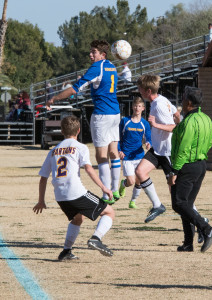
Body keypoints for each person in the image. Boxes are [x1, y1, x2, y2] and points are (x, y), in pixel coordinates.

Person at [46, 40, 121, 205]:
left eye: (94, 52)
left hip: (102, 114)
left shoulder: (97, 67)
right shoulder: (111, 66)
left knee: (101, 156)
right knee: (114, 153)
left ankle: (106, 193)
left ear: (102, 54)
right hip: (115, 114)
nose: (90, 55)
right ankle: (114, 190)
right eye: (90, 51)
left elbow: (75, 89)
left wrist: (55, 98)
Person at [33, 115, 115, 260]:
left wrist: (41, 201)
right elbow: (89, 169)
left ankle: (66, 251)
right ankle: (96, 238)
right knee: (109, 212)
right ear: (78, 131)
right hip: (75, 193)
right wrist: (104, 187)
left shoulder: (53, 151)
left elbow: (43, 178)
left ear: (62, 131)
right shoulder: (80, 147)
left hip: (60, 196)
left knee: (78, 218)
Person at [168, 86, 212, 253]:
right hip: (201, 164)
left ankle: (207, 229)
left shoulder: (189, 122)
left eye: (183, 98)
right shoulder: (206, 119)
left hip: (187, 166)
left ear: (189, 102)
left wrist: (174, 171)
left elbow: (183, 149)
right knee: (187, 204)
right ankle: (188, 243)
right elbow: (210, 143)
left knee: (179, 203)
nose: (181, 101)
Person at [135, 74, 180, 223]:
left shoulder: (159, 104)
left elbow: (173, 127)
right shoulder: (161, 100)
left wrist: (155, 125)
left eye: (140, 88)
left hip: (167, 152)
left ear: (148, 91)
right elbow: (176, 113)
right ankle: (158, 205)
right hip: (157, 149)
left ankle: (199, 222)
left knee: (177, 195)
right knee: (140, 172)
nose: (138, 91)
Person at [118, 97, 152, 209]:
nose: (137, 108)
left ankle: (133, 201)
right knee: (131, 181)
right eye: (135, 106)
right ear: (132, 107)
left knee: (139, 181)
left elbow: (148, 138)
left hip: (139, 155)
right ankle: (123, 185)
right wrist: (119, 150)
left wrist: (148, 143)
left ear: (143, 108)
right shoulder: (125, 121)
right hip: (127, 156)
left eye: (139, 106)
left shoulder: (145, 124)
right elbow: (118, 138)